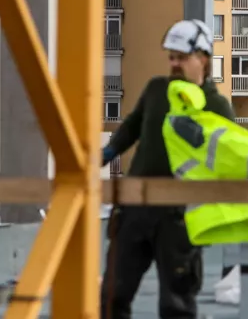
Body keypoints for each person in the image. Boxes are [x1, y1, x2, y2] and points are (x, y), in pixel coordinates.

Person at [100, 19, 235, 319]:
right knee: (112, 295)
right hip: (136, 207)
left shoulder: (215, 107)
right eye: (171, 57)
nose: (174, 64)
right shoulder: (157, 90)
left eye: (182, 58)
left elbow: (229, 159)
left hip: (179, 216)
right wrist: (106, 154)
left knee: (177, 303)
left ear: (203, 59)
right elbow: (132, 126)